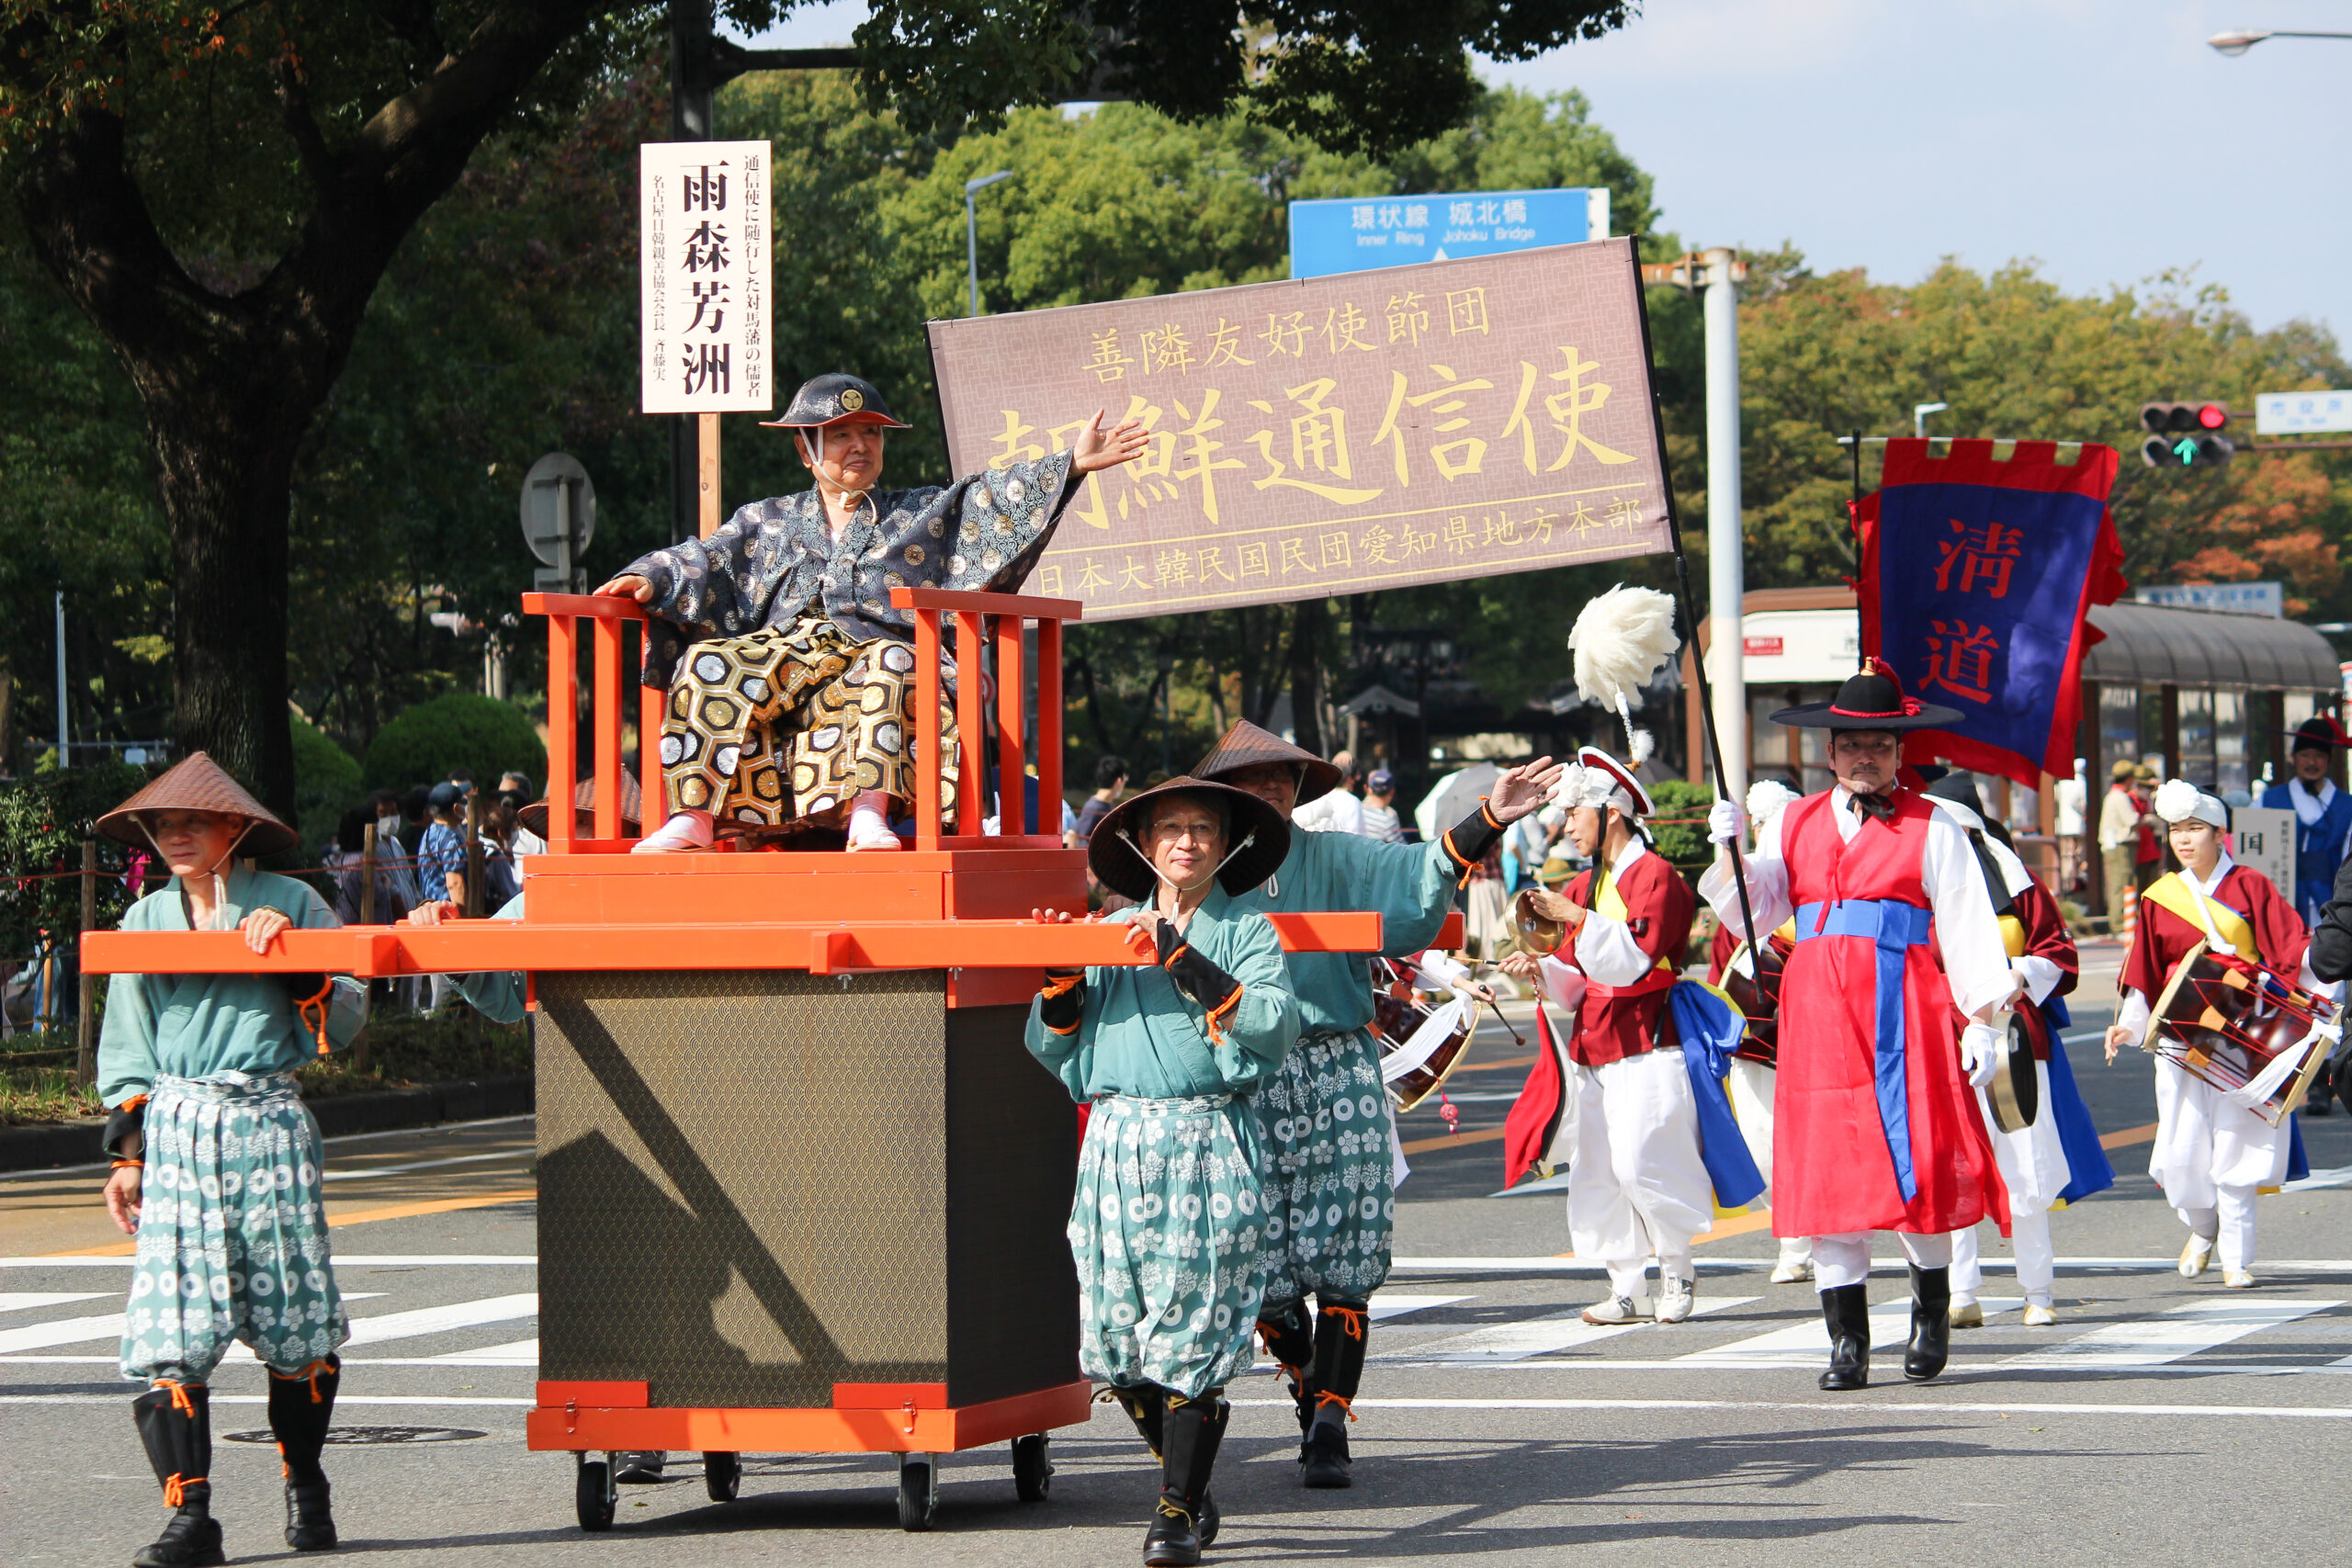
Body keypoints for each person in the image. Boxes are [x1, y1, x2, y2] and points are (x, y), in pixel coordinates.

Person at [1192, 719, 1560, 1486]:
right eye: (1252, 781)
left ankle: (1330, 1420)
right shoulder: (1201, 874)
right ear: (1223, 795)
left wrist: (1488, 816)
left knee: (1348, 1255)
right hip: (1246, 1074)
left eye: (1282, 780)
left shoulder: (1335, 854)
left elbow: (1416, 876)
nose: (1269, 791)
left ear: (1296, 794)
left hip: (1337, 1068)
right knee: (1255, 1260)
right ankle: (1304, 1379)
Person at [596, 373, 1147, 853]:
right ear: (806, 449)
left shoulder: (917, 511)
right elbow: (708, 558)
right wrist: (651, 576)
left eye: (871, 433)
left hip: (879, 652)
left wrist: (1071, 464)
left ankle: (869, 811)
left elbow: (991, 500)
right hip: (791, 648)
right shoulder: (768, 520)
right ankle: (693, 814)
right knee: (706, 661)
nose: (860, 445)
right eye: (841, 435)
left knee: (891, 659)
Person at [1701, 660, 2012, 1393]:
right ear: (1829, 751)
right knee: (1829, 1169)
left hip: (1906, 1006)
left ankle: (1931, 1310)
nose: (1863, 756)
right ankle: (1847, 1342)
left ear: (1901, 751)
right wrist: (1730, 851)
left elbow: (1967, 923)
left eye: (1879, 745)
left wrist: (1983, 1020)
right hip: (1815, 1013)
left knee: (1917, 1162)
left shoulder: (1934, 823)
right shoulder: (1796, 819)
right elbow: (1761, 908)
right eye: (1849, 744)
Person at [93, 754, 368, 1562]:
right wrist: (129, 1156)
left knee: (295, 1319)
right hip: (179, 1128)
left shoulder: (292, 903)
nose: (174, 834)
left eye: (193, 821)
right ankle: (191, 1517)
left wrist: (293, 959)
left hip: (266, 1121)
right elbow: (128, 1045)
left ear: (235, 828)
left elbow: (346, 1016)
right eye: (162, 824)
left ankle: (306, 1481)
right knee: (171, 1325)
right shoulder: (143, 921)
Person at [1025, 776, 1298, 1567]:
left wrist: (1184, 958)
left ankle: (1175, 1509)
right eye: (1170, 827)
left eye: (1203, 827)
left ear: (1227, 842)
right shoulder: (1107, 928)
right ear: (1144, 845)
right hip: (1116, 1143)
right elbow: (1057, 1049)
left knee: (1196, 1325)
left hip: (1207, 1137)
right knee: (1113, 1341)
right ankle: (1190, 1476)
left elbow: (1273, 1026)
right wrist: (1060, 980)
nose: (1186, 840)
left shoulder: (1247, 930)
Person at [1498, 747, 1722, 1325]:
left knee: (1644, 1160)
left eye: (1574, 812)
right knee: (1596, 1169)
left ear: (1610, 814)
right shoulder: (1583, 884)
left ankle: (1677, 1269)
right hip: (1596, 1042)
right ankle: (1626, 1285)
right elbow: (1580, 978)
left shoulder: (1658, 877)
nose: (1565, 824)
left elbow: (1633, 963)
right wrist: (1542, 969)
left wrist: (1575, 920)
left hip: (1651, 1039)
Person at [2105, 780, 2320, 1289]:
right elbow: (2146, 970)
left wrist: (2323, 972)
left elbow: (2290, 946)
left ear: (2220, 834)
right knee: (2180, 1152)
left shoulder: (2251, 885)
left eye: (2195, 828)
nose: (2184, 839)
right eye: (2176, 830)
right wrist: (2130, 1024)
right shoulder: (2160, 896)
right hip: (2182, 1035)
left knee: (2236, 1143)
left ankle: (2236, 1258)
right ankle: (2202, 1228)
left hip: (2245, 1031)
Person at [1920, 774, 2112, 1327]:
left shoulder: (2017, 881)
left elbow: (2059, 952)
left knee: (2025, 1166)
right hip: (1942, 1037)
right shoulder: (1917, 884)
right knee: (1952, 1165)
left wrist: (2018, 974)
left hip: (2015, 1039)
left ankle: (2039, 1290)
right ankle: (1962, 1291)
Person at [1703, 777, 1815, 1286]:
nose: (1769, 830)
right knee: (1760, 1132)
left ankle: (1809, 1234)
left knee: (1809, 1132)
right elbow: (1724, 956)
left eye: (1775, 819)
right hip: (1756, 1030)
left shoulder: (1807, 873)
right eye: (1761, 822)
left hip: (1809, 1018)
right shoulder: (1750, 884)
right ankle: (1793, 1234)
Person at [2261, 716, 2352, 927]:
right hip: (2281, 909)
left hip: (2334, 909)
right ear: (2293, 758)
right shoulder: (2268, 801)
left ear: (2329, 760)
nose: (2311, 763)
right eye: (2305, 755)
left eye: (2319, 756)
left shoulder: (2347, 807)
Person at [2097, 759, 2151, 922]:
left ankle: (2121, 920)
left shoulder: (2113, 795)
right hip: (2121, 845)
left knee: (2121, 882)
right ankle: (2119, 922)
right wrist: (2148, 821)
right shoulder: (2120, 797)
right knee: (2122, 882)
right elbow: (2132, 821)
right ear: (2128, 778)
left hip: (2115, 844)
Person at [416, 782, 468, 905]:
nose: (465, 806)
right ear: (455, 809)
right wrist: (462, 920)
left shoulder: (429, 833)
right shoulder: (449, 838)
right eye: (463, 802)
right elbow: (455, 884)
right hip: (447, 915)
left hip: (432, 913)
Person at [1291, 750, 1363, 835]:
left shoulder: (1318, 796)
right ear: (1351, 778)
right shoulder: (1352, 802)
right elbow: (1356, 837)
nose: (1359, 778)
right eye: (1358, 775)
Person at [1074, 755, 1130, 847]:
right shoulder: (1093, 807)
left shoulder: (1108, 805)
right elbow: (1082, 842)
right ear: (1119, 781)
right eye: (1125, 780)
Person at [1359, 769, 1404, 843]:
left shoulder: (1358, 811)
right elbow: (1403, 851)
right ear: (1392, 791)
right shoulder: (1387, 820)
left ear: (1370, 790)